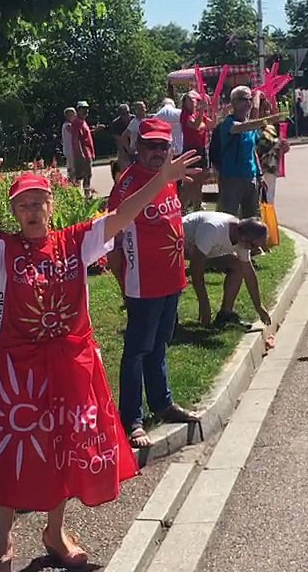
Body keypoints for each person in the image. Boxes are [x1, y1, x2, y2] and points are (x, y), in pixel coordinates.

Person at [0, 144, 200, 572]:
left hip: (71, 364)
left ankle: (54, 531)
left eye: (38, 202)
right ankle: (4, 539)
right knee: (11, 449)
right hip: (20, 374)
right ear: (15, 213)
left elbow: (121, 217)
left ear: (50, 206)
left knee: (64, 449)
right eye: (23, 205)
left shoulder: (74, 242)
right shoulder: (5, 252)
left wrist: (160, 180)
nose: (32, 210)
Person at [107, 119, 199, 449]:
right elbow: (114, 244)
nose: (158, 152)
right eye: (151, 146)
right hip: (142, 285)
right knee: (136, 351)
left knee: (160, 344)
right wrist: (123, 285)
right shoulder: (128, 185)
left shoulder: (169, 178)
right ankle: (131, 418)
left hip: (171, 280)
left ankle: (163, 403)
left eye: (164, 146)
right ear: (137, 147)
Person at [182, 211, 274, 343]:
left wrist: (259, 306)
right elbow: (196, 268)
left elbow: (249, 273)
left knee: (238, 266)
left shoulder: (242, 238)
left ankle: (225, 314)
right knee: (196, 264)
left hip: (206, 250)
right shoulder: (213, 229)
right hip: (180, 245)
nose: (254, 250)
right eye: (254, 246)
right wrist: (204, 304)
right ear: (243, 237)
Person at [211, 86, 280, 221]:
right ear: (234, 103)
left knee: (253, 220)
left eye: (249, 99)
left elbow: (252, 150)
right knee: (227, 219)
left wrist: (259, 175)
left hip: (251, 178)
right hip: (231, 178)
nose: (248, 103)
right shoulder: (228, 123)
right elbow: (240, 128)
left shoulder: (250, 125)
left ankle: (252, 243)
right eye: (244, 99)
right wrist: (259, 104)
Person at [178, 92, 212, 212]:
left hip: (201, 149)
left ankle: (198, 206)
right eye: (190, 100)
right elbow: (195, 125)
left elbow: (212, 124)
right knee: (189, 183)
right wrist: (202, 110)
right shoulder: (185, 116)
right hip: (191, 150)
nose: (193, 102)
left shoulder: (198, 115)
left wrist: (215, 111)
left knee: (200, 181)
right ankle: (181, 207)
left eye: (194, 100)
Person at [68, 101, 101, 195]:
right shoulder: (76, 123)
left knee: (87, 175)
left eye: (87, 109)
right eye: (83, 109)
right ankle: (77, 195)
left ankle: (86, 195)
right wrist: (81, 154)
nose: (86, 111)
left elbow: (86, 135)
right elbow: (76, 139)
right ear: (78, 110)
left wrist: (95, 130)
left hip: (88, 152)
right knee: (80, 177)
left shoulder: (83, 122)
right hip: (83, 154)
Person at [109, 104, 133, 180]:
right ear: (120, 115)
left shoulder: (134, 119)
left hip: (134, 146)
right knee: (124, 168)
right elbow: (119, 140)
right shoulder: (116, 124)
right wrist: (125, 152)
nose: (126, 115)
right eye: (123, 114)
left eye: (128, 113)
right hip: (123, 148)